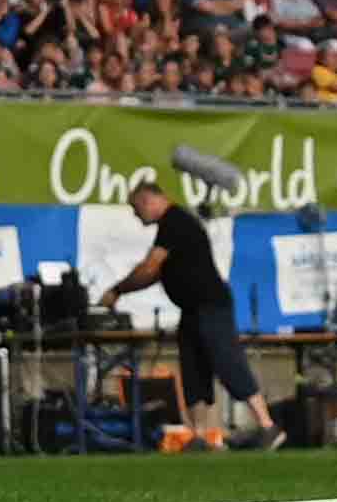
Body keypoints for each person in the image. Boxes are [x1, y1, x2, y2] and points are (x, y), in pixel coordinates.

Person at [106, 180, 278, 450]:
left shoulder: (175, 221)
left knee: (227, 361)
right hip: (192, 309)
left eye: (135, 208)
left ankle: (268, 426)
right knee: (194, 371)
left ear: (147, 201)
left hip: (211, 305)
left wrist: (117, 290)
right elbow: (156, 274)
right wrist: (122, 291)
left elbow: (150, 268)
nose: (135, 216)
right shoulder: (170, 227)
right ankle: (198, 435)